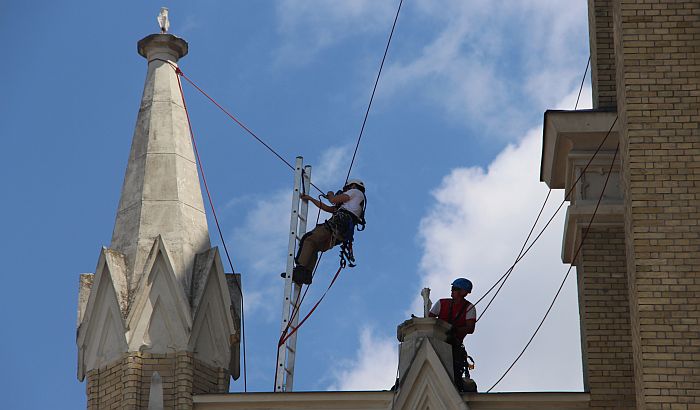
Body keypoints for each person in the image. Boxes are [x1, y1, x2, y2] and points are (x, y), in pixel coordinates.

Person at [292, 179, 366, 285]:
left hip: (338, 223)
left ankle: (300, 271)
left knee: (309, 239)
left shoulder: (355, 191)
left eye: (347, 188)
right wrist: (310, 199)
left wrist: (331, 194)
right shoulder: (352, 204)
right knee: (315, 246)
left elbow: (334, 200)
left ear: (353, 185)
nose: (346, 191)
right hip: (342, 232)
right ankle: (306, 275)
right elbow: (327, 208)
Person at [429, 278, 477, 392]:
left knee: (454, 374)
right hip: (437, 342)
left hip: (454, 346)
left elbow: (470, 328)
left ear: (463, 292)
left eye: (454, 289)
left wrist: (455, 330)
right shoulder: (442, 303)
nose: (451, 291)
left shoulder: (469, 308)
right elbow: (429, 320)